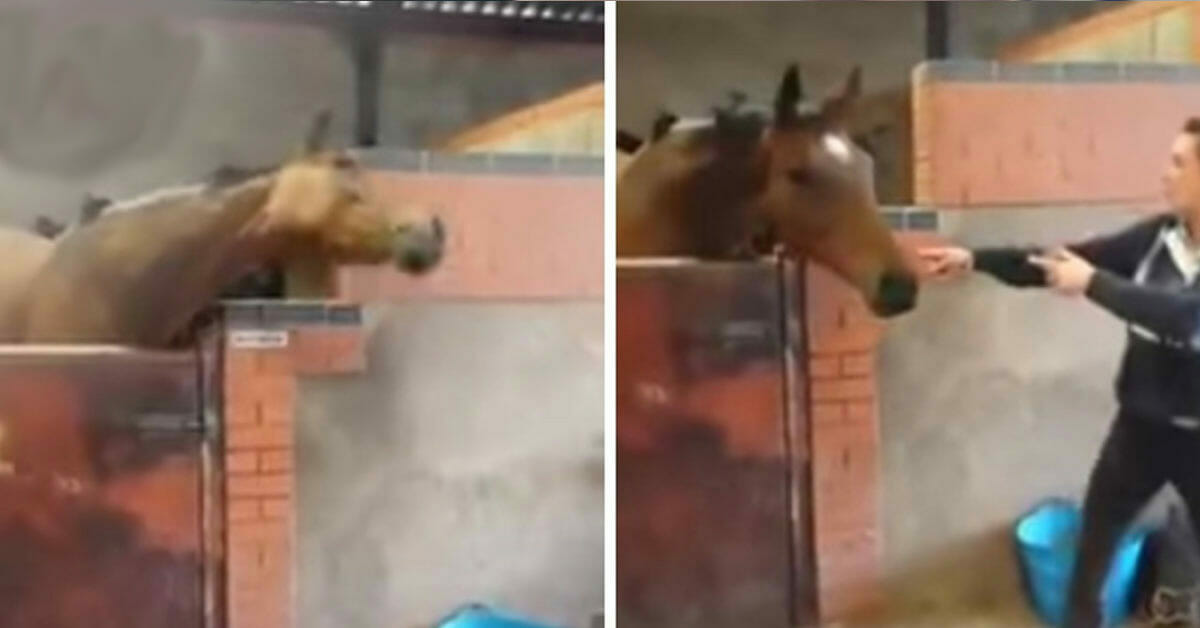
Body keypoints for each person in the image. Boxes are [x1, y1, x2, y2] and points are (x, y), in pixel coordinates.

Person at [920, 118, 1200, 628]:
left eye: (1179, 163)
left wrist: (1093, 283)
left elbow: (1185, 317)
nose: (1165, 174)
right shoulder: (1161, 238)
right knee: (1089, 566)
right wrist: (976, 259)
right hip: (1139, 430)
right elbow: (1063, 262)